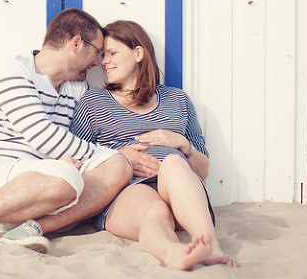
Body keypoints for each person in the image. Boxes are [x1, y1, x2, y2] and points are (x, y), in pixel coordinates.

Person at [0, 8, 132, 253]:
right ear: (76, 44)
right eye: (96, 52)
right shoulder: (11, 73)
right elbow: (43, 137)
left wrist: (117, 157)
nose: (97, 63)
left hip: (44, 197)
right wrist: (96, 157)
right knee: (67, 176)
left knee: (119, 166)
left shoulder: (77, 89)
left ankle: (33, 229)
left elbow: (77, 145)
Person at [71, 20, 239, 270]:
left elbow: (203, 171)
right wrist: (119, 157)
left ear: (138, 53)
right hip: (127, 192)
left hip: (181, 196)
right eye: (103, 55)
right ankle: (171, 252)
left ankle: (211, 247)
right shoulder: (93, 102)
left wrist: (183, 144)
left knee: (174, 163)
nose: (104, 62)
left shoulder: (178, 100)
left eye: (112, 53)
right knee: (155, 210)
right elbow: (77, 163)